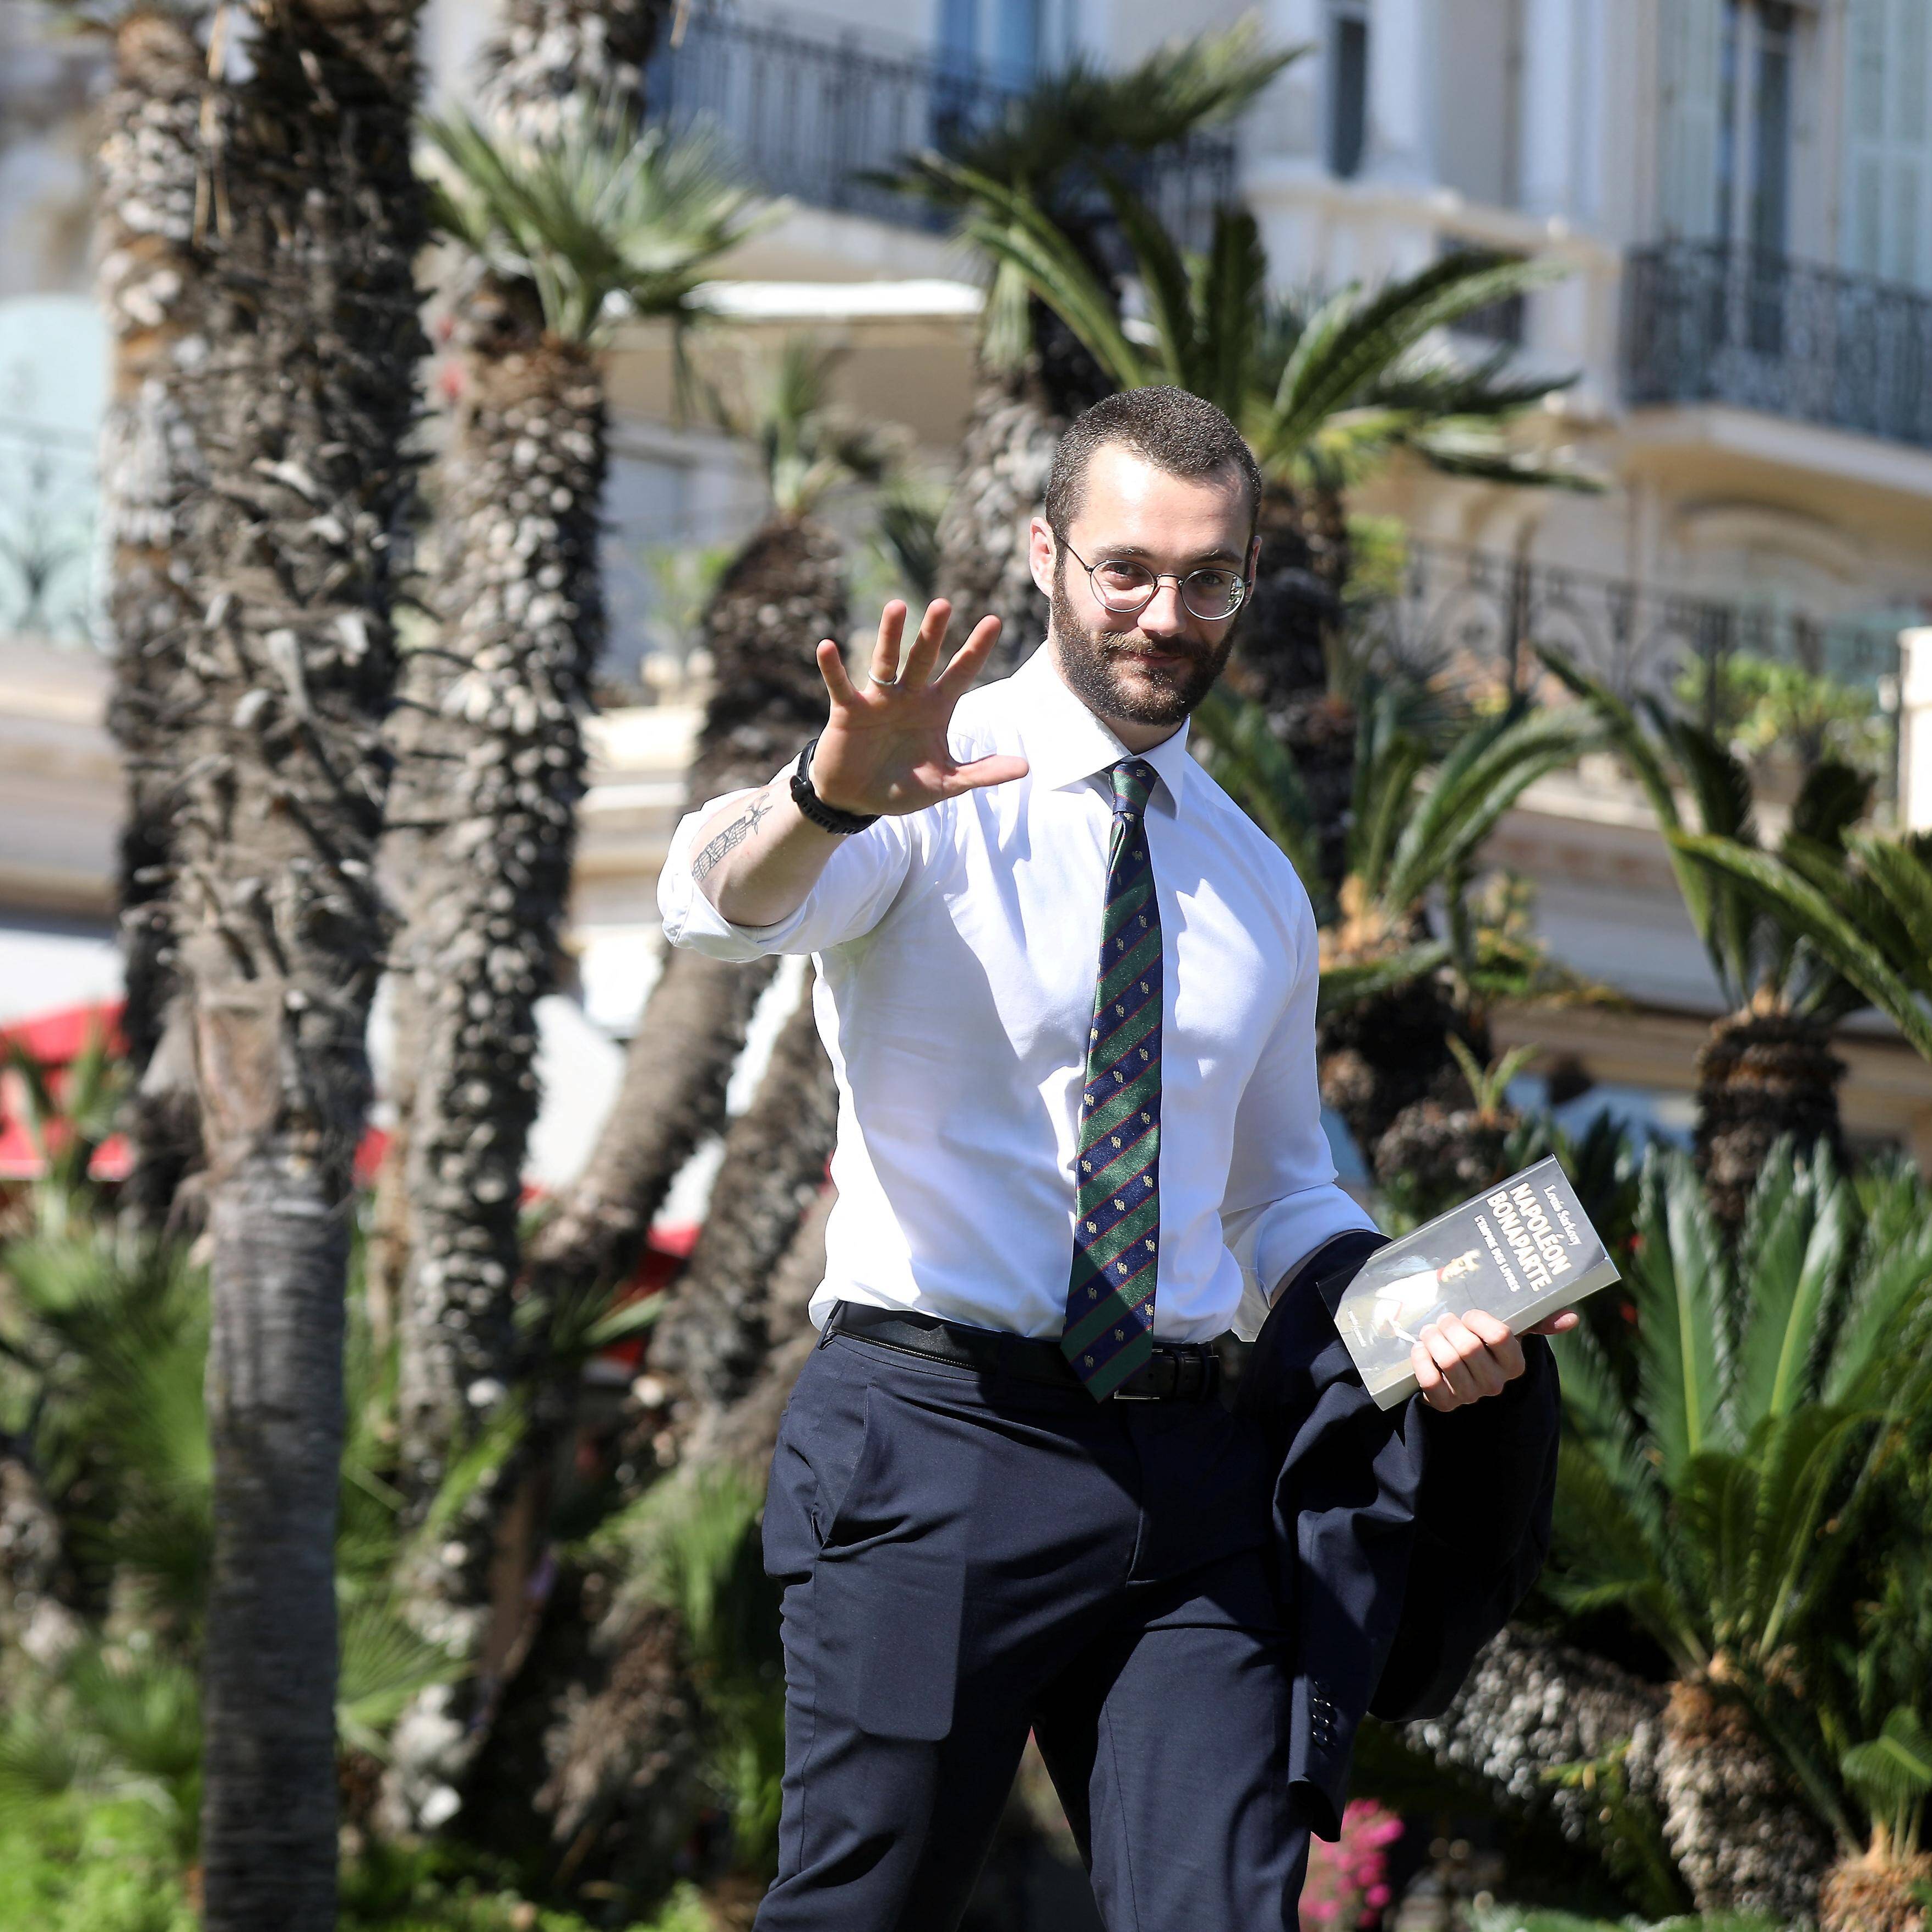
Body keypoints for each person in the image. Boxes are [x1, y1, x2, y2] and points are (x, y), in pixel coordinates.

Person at [657, 385, 1568, 1930]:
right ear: (1045, 554)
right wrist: (824, 795)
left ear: (1248, 580)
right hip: (938, 1438)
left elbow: (1281, 1192)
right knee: (859, 1915)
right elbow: (716, 900)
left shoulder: (1256, 883)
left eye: (1206, 578)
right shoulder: (923, 781)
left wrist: (1420, 1321)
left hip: (1188, 1476)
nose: (1163, 612)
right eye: (1125, 569)